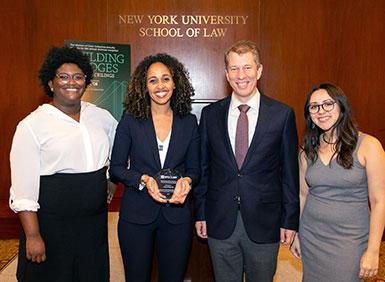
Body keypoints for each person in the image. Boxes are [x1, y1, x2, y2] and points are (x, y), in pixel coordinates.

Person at [9, 46, 117, 282]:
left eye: (78, 77)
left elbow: (120, 148)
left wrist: (111, 178)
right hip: (52, 225)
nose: (72, 82)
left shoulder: (100, 116)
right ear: (50, 83)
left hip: (93, 225)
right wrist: (33, 236)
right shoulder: (31, 126)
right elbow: (23, 189)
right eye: (64, 77)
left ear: (85, 82)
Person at [194, 40, 299, 282]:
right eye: (234, 68)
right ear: (226, 74)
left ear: (259, 70)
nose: (241, 75)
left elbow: (289, 173)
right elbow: (203, 168)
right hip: (219, 221)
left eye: (247, 68)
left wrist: (290, 220)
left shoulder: (282, 115)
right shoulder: (210, 115)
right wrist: (201, 213)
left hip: (265, 223)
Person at [109, 53, 200, 282]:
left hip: (177, 216)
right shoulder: (130, 120)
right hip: (136, 215)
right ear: (144, 86)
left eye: (166, 78)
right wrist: (144, 180)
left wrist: (186, 182)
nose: (160, 86)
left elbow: (195, 169)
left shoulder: (188, 122)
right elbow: (117, 168)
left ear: (175, 82)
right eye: (153, 80)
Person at [290, 83, 385, 281]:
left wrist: (373, 250)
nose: (321, 111)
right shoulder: (306, 152)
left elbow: (379, 202)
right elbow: (302, 194)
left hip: (350, 241)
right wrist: (297, 234)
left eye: (328, 104)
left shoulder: (368, 145)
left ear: (341, 107)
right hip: (312, 237)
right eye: (314, 106)